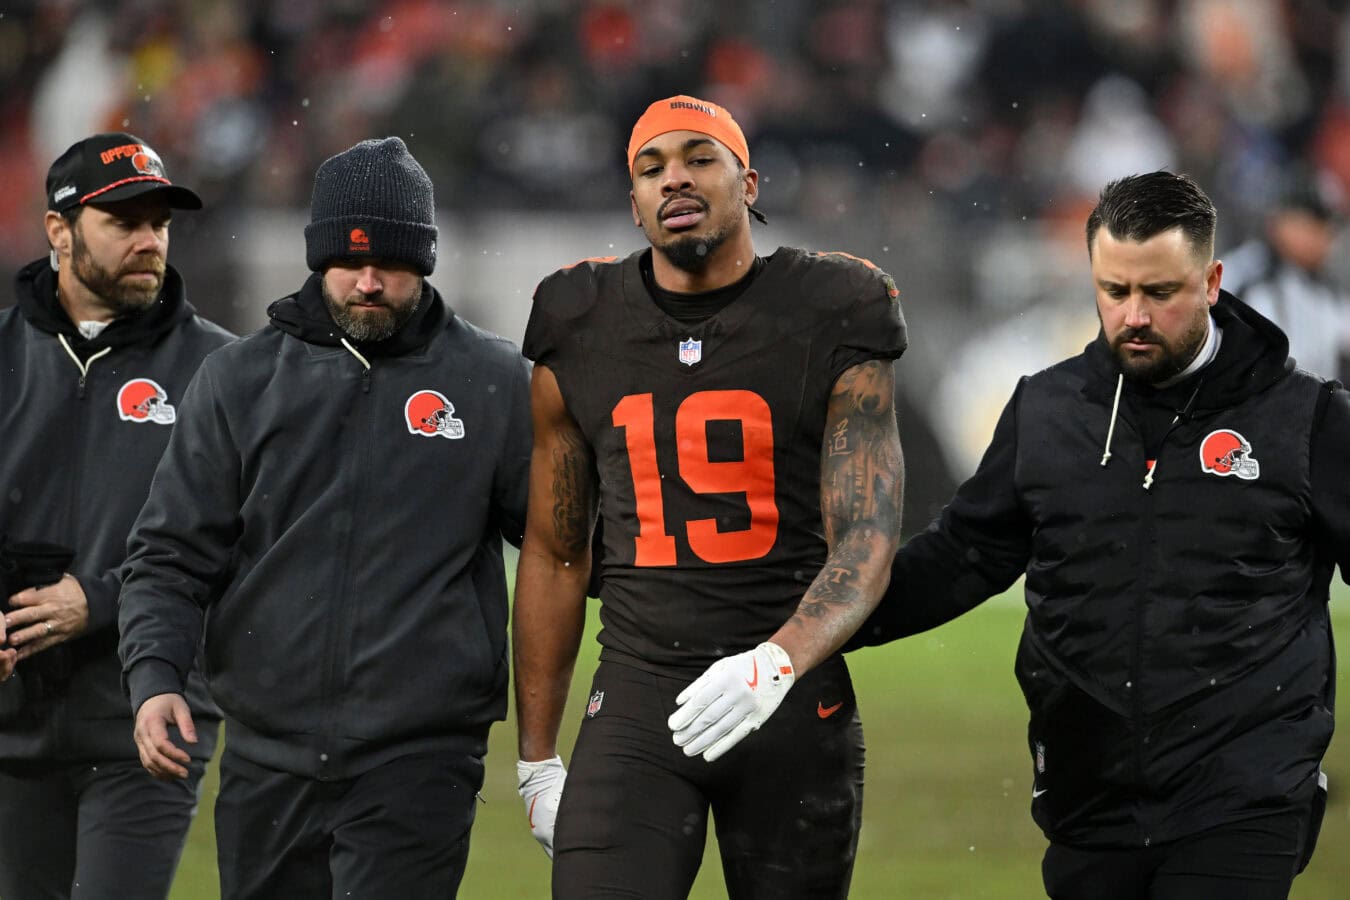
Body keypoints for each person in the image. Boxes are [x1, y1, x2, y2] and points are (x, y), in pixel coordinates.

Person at [853, 171, 1347, 899]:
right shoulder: (1047, 411)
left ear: (1211, 281)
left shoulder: (1305, 419)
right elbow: (965, 553)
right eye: (1114, 292)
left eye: (1159, 292)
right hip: (1089, 791)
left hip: (1243, 792)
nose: (1133, 316)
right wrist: (823, 624)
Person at [512, 95, 907, 898]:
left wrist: (776, 662)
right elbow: (556, 552)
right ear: (633, 203)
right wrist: (536, 759)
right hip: (635, 696)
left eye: (700, 157)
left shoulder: (834, 306)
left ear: (749, 182)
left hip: (791, 698)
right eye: (651, 168)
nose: (675, 180)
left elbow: (866, 538)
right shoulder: (577, 319)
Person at [117, 137, 532, 898]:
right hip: (266, 758)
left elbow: (564, 548)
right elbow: (171, 554)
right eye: (348, 261)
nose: (368, 282)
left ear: (426, 261)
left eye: (392, 264)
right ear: (318, 258)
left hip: (420, 759)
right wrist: (154, 678)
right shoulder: (238, 381)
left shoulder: (495, 383)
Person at [0, 132, 234, 900]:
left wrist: (96, 598)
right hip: (12, 723)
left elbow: (244, 543)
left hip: (147, 721)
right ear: (58, 230)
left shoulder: (221, 373)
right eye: (123, 221)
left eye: (158, 223)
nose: (148, 240)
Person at [1223, 166, 1350, 382]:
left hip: (1311, 408)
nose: (1326, 237)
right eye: (1315, 224)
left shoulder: (1329, 292)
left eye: (1328, 227)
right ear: (1282, 221)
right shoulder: (1241, 273)